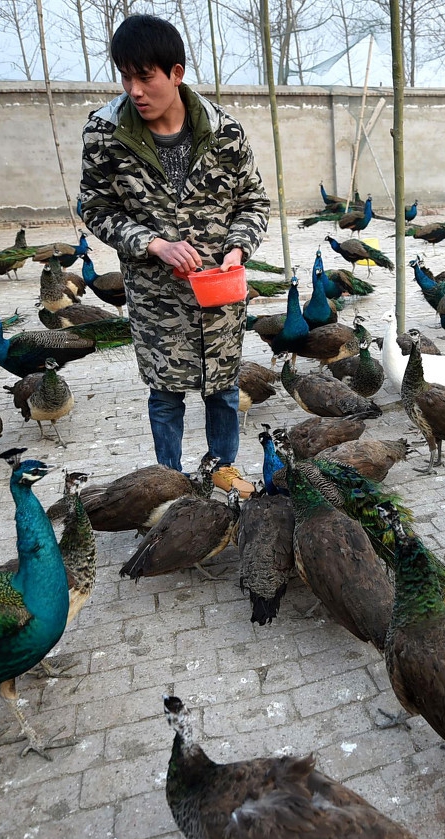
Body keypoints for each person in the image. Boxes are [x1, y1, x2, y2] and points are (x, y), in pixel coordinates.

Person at [78, 14, 269, 489]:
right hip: (155, 296)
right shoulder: (106, 135)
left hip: (219, 293)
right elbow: (95, 207)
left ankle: (223, 480)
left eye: (146, 77)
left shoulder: (225, 134)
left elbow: (253, 201)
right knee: (165, 395)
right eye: (126, 77)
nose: (135, 90)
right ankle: (169, 485)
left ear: (176, 73)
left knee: (223, 392)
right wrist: (153, 244)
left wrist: (238, 249)